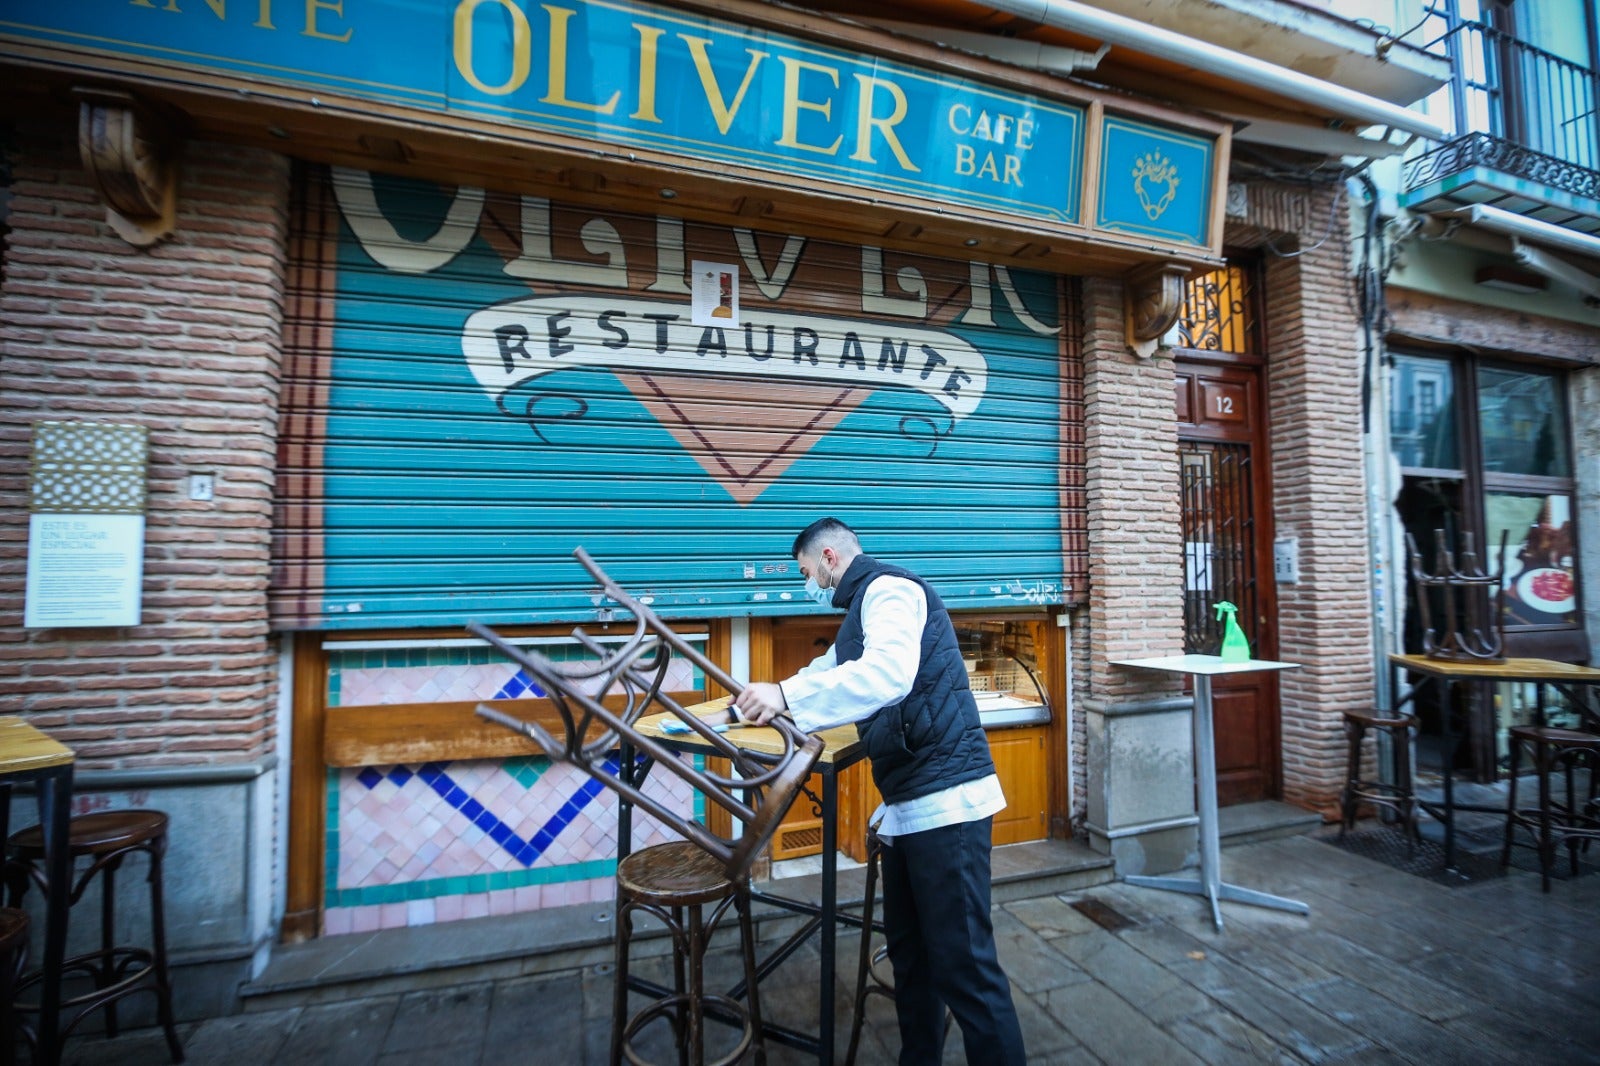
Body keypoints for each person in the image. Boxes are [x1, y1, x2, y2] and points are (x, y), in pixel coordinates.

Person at [734, 517, 1027, 1066]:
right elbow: (825, 674)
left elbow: (887, 675)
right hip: (909, 810)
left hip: (949, 804)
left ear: (828, 556)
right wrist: (762, 699)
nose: (809, 587)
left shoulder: (890, 590)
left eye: (806, 574)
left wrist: (785, 696)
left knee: (966, 971)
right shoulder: (856, 618)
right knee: (912, 962)